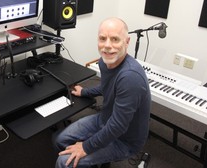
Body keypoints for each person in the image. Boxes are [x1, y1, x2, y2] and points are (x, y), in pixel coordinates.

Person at [53, 17, 151, 168]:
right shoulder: (104, 62)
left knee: (63, 163)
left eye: (115, 39)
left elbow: (118, 127)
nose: (107, 46)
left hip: (125, 140)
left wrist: (86, 147)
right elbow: (107, 87)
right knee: (59, 139)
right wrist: (85, 91)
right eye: (102, 39)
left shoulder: (131, 78)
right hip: (105, 119)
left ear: (127, 41)